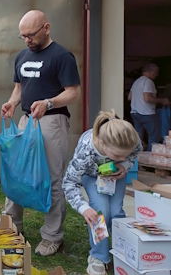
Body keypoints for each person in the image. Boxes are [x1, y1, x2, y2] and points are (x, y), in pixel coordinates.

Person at [0, 10, 82, 256]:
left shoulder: (62, 55)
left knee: (52, 178)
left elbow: (73, 92)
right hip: (26, 119)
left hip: (52, 120)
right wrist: (13, 103)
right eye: (23, 36)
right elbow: (19, 87)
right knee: (17, 172)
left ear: (46, 28)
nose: (27, 41)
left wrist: (49, 102)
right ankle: (11, 224)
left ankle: (53, 236)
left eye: (31, 35)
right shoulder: (22, 56)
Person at [63, 110, 141, 275]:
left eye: (124, 154)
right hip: (92, 176)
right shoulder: (85, 151)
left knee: (116, 211)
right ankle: (99, 256)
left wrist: (124, 164)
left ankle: (121, 249)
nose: (122, 156)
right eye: (118, 155)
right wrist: (83, 207)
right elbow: (69, 182)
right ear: (102, 143)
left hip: (115, 174)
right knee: (100, 212)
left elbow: (135, 151)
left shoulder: (130, 138)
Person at [128, 63, 170, 151]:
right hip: (146, 113)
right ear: (150, 71)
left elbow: (129, 97)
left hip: (135, 113)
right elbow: (147, 98)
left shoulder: (137, 81)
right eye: (156, 72)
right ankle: (151, 158)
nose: (157, 74)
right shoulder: (148, 81)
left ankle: (137, 157)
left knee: (138, 137)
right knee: (154, 136)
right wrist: (162, 100)